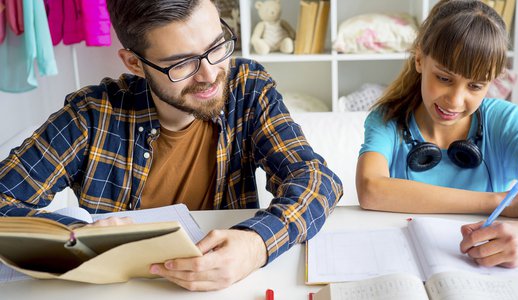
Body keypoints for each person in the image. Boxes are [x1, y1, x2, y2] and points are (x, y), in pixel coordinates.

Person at [0, 0, 343, 291]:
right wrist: (76, 234)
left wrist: (256, 244)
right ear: (134, 63)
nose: (210, 75)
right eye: (182, 63)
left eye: (216, 46)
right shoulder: (91, 115)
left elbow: (316, 179)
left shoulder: (247, 90)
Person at [356, 0, 518, 269]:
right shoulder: (388, 118)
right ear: (420, 59)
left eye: (475, 86)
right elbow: (370, 189)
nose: (455, 101)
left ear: (492, 81)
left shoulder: (502, 119)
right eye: (444, 78)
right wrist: (501, 201)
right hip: (405, 264)